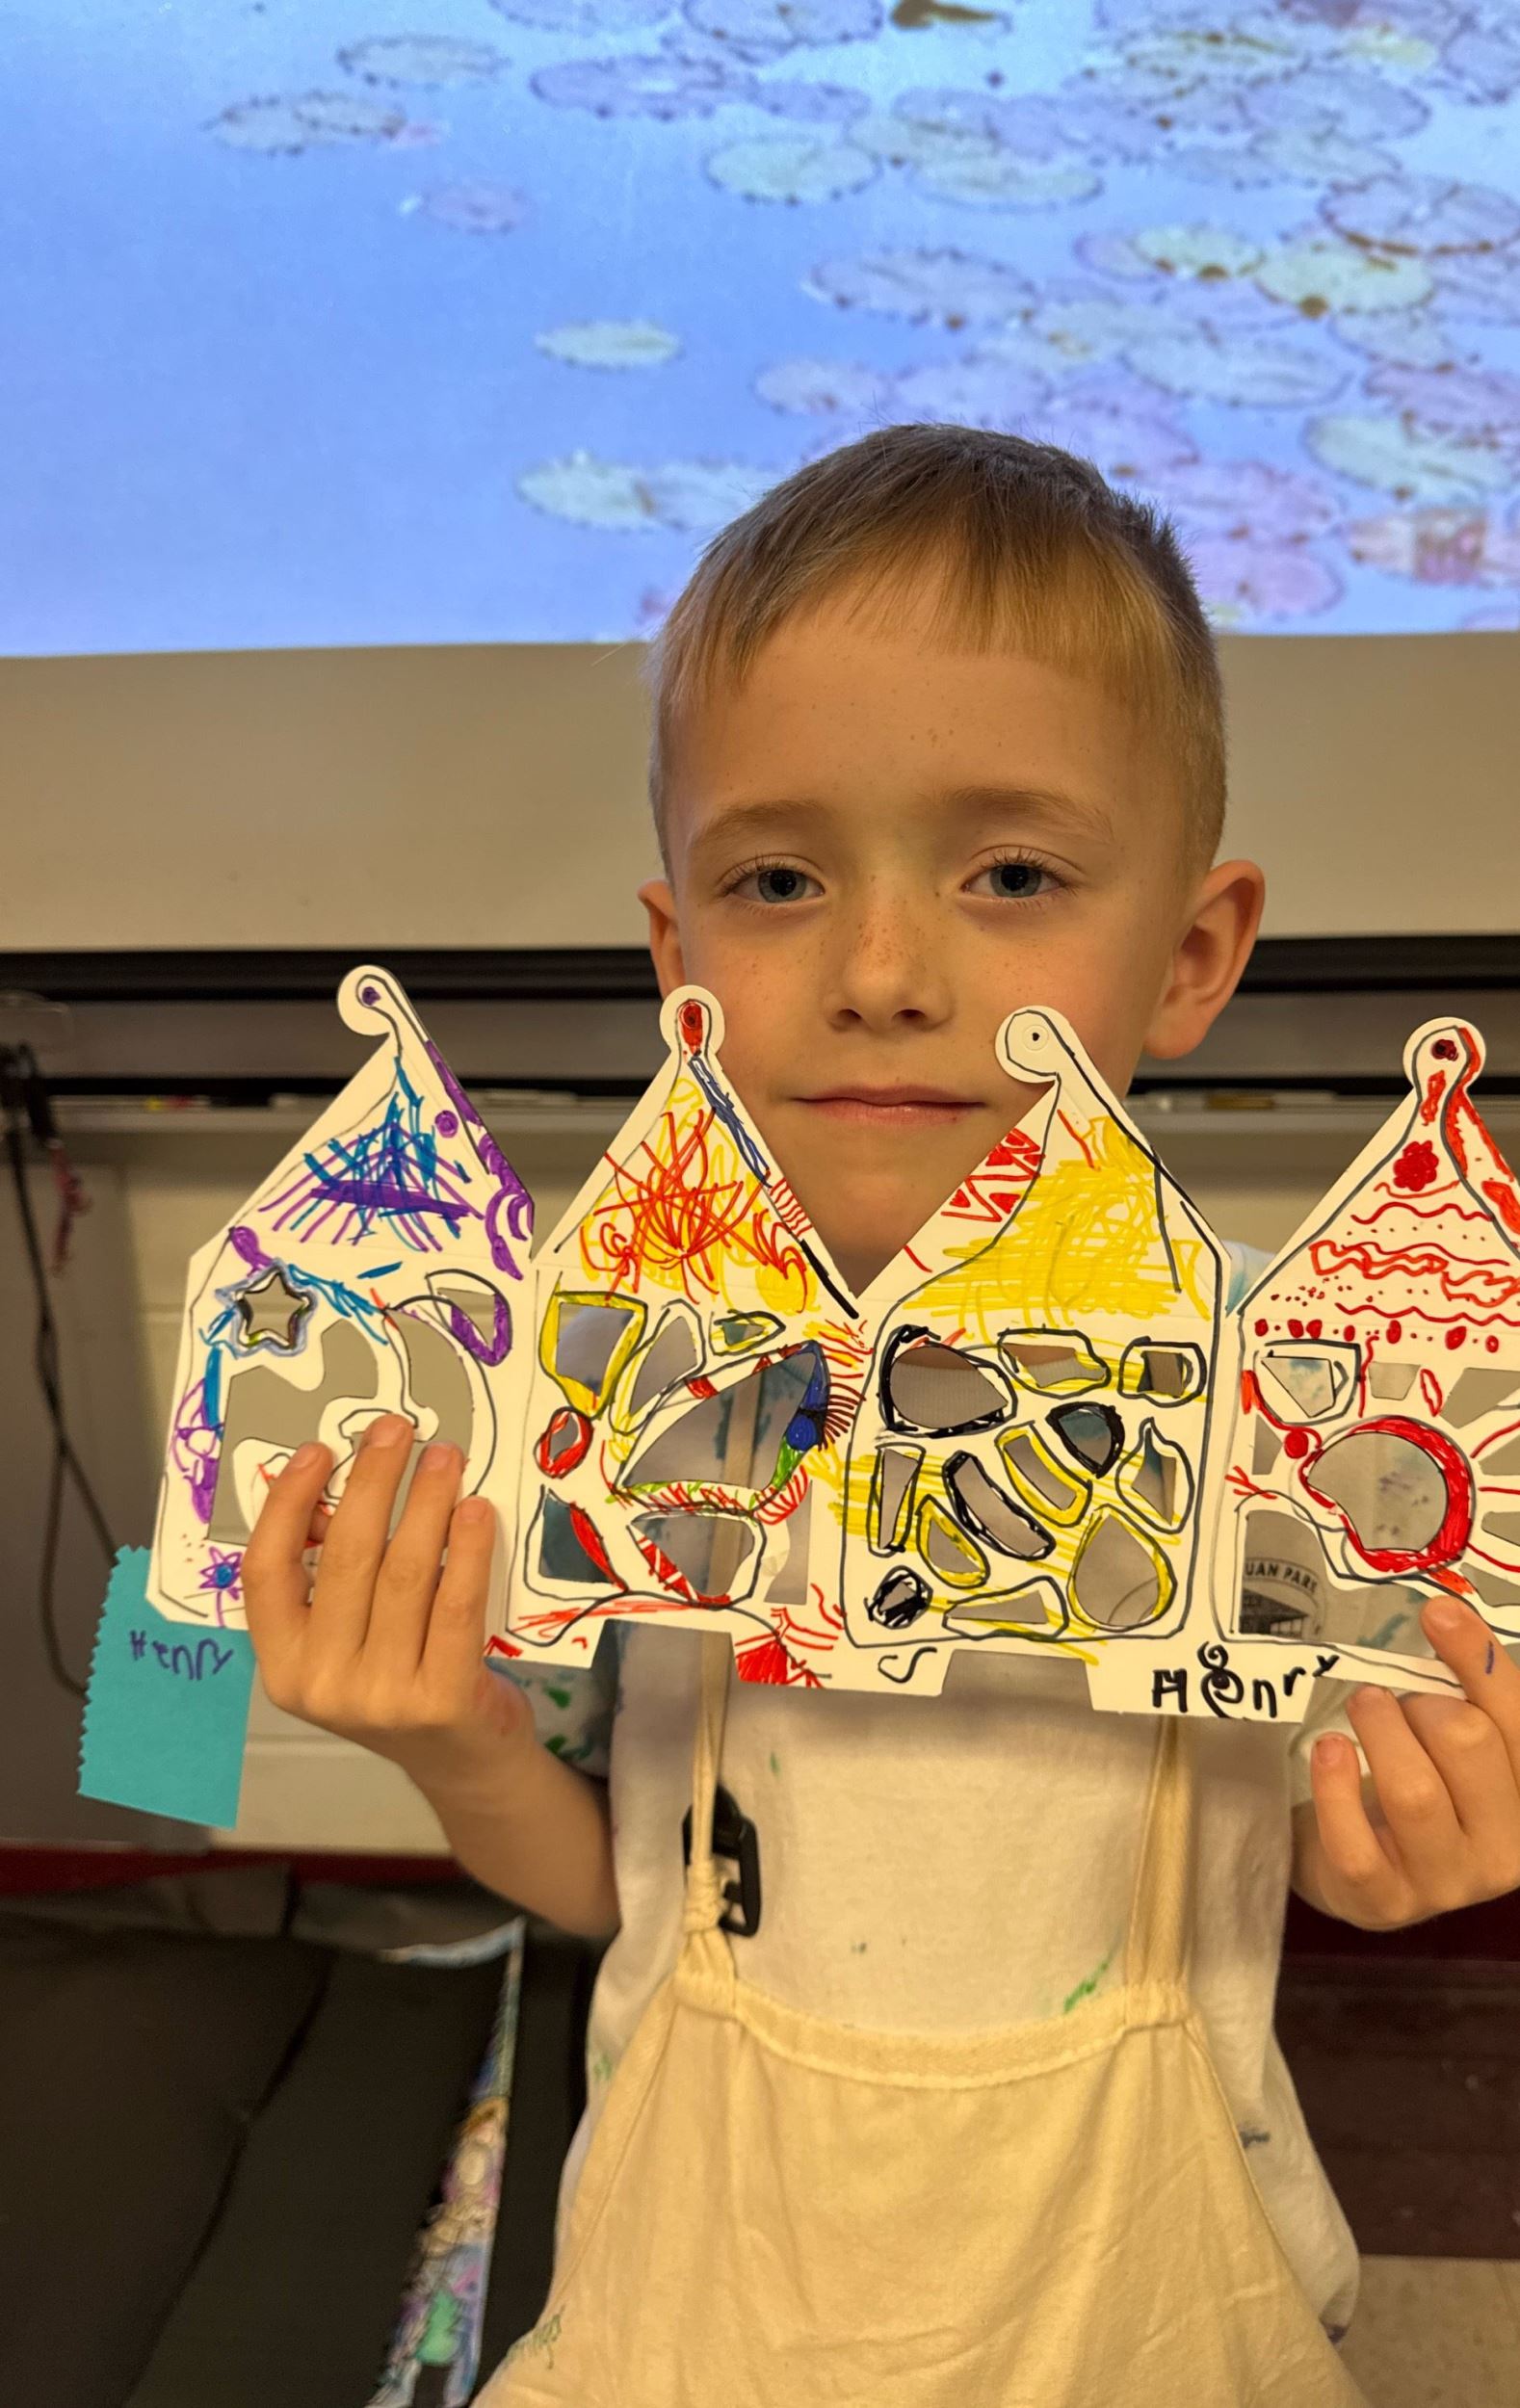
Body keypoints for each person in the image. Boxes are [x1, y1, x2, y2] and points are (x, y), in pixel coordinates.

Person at [244, 426, 1520, 2406]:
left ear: (1190, 956)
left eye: (1013, 873)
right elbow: (604, 1883)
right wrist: (452, 1740)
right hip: (702, 2294)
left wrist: (1399, 1842)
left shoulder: (1303, 1390)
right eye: (777, 878)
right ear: (680, 955)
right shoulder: (620, 1380)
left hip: (1144, 2302)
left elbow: (1361, 1811)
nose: (883, 970)